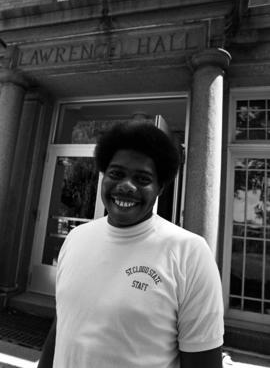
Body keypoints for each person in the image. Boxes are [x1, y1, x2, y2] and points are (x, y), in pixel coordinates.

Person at [38, 121, 224, 368]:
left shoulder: (189, 252)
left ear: (160, 188)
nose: (126, 186)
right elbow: (63, 322)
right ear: (104, 175)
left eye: (142, 178)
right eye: (116, 173)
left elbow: (203, 361)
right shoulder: (76, 238)